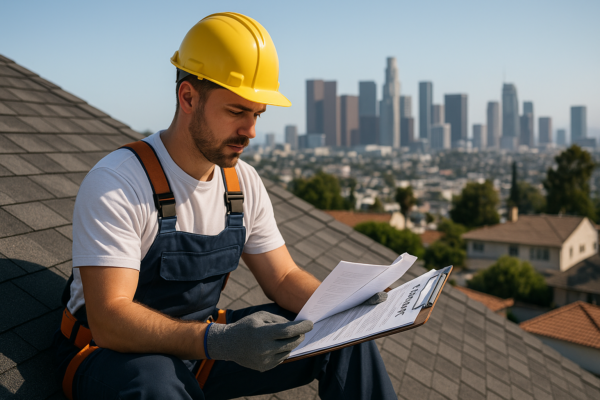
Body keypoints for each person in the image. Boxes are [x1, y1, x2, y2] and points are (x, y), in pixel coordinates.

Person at [54, 12, 397, 400]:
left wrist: (344, 306)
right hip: (114, 357)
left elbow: (283, 278)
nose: (250, 131)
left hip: (203, 349)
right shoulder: (120, 182)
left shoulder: (241, 184)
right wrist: (218, 341)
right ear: (188, 97)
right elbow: (109, 319)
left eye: (257, 115)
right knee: (158, 384)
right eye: (237, 111)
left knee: (343, 337)